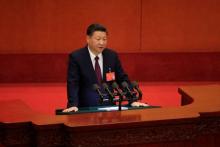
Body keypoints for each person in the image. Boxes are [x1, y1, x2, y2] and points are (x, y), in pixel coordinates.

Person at [63, 23, 147, 112]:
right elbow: (73, 84)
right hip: (85, 108)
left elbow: (122, 79)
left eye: (104, 39)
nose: (102, 42)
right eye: (98, 39)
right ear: (88, 39)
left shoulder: (111, 56)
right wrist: (72, 104)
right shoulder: (77, 57)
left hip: (110, 108)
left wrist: (132, 100)